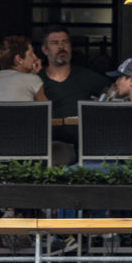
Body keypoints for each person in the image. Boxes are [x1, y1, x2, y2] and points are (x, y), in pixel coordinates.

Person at [38, 25, 109, 164]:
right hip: (42, 149)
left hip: (82, 151)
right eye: (55, 43)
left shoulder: (86, 76)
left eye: (65, 42)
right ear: (44, 49)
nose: (61, 46)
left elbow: (116, 91)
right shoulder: (35, 80)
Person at [0, 35, 47, 102]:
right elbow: (46, 109)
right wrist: (36, 76)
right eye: (31, 54)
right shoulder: (33, 79)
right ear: (19, 59)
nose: (35, 58)